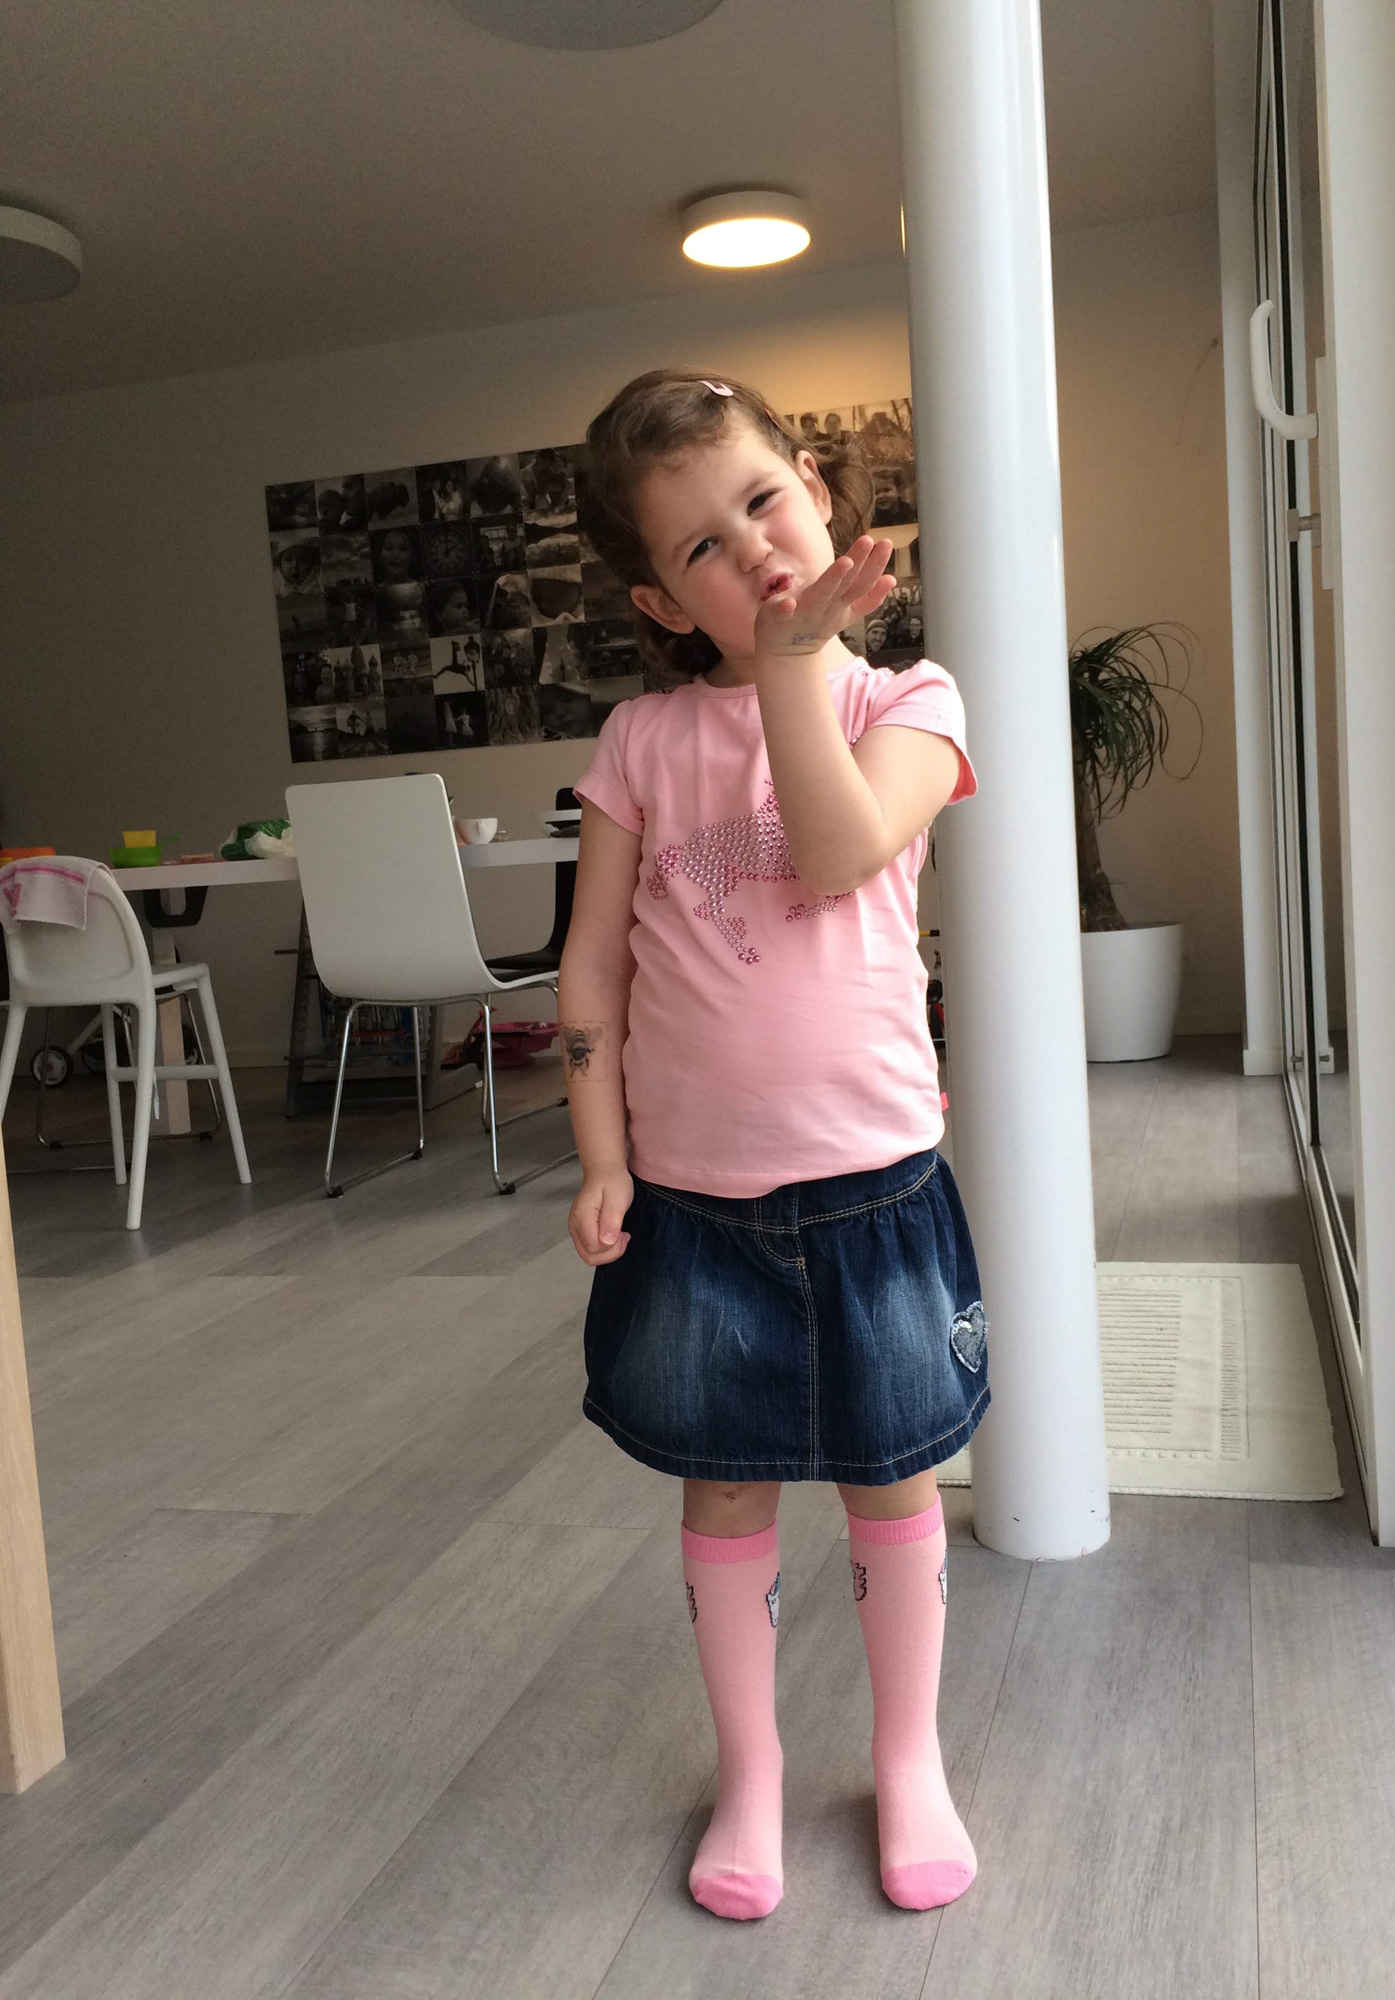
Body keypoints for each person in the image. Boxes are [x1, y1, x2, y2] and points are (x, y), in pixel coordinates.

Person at [559, 369, 985, 1924]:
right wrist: (602, 1154)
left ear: (812, 485)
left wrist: (799, 664)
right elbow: (591, 968)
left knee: (894, 1483)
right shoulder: (641, 741)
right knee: (725, 1489)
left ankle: (907, 1759)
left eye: (761, 503)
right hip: (694, 1209)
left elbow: (835, 846)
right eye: (701, 548)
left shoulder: (908, 702)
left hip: (875, 1192)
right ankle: (749, 1773)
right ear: (661, 604)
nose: (750, 551)